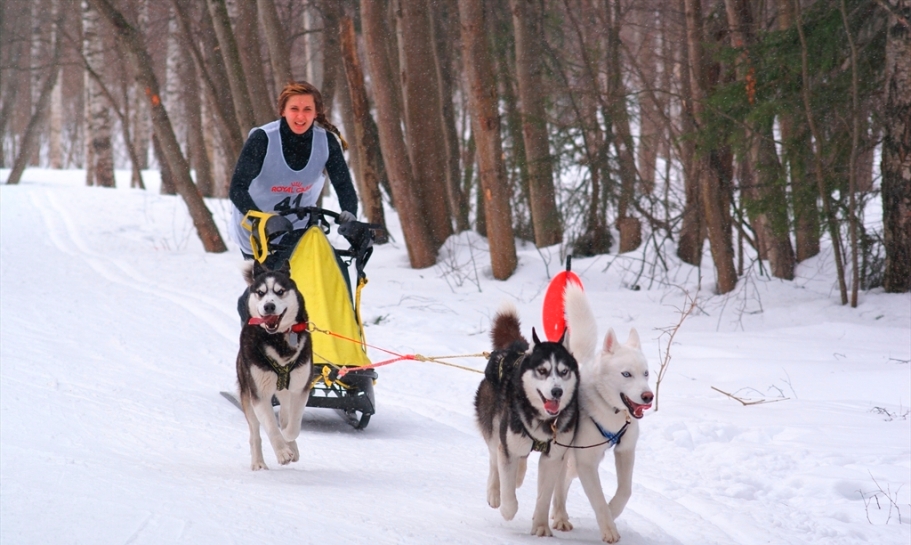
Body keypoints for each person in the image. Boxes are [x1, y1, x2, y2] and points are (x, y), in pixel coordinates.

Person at [229, 81, 358, 260]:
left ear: (316, 113)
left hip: (298, 229)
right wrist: (262, 220)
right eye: (294, 109)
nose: (300, 116)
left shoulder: (327, 142)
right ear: (283, 111)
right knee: (268, 286)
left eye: (307, 109)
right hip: (256, 228)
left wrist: (350, 213)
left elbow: (343, 185)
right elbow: (237, 188)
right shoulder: (262, 139)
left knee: (303, 285)